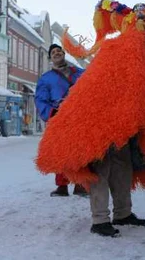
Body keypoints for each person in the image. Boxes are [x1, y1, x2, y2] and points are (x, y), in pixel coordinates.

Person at [36, 0, 145, 237]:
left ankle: (123, 213)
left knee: (122, 166)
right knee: (101, 169)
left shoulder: (142, 69)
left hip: (121, 130)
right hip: (99, 128)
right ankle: (99, 220)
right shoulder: (115, 59)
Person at [35, 44, 89, 197]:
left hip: (79, 118)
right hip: (59, 118)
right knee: (61, 152)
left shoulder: (80, 73)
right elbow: (40, 99)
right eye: (53, 52)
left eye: (59, 51)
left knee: (80, 150)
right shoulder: (45, 79)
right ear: (50, 58)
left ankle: (80, 184)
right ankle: (62, 186)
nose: (56, 53)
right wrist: (52, 113)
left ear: (64, 54)